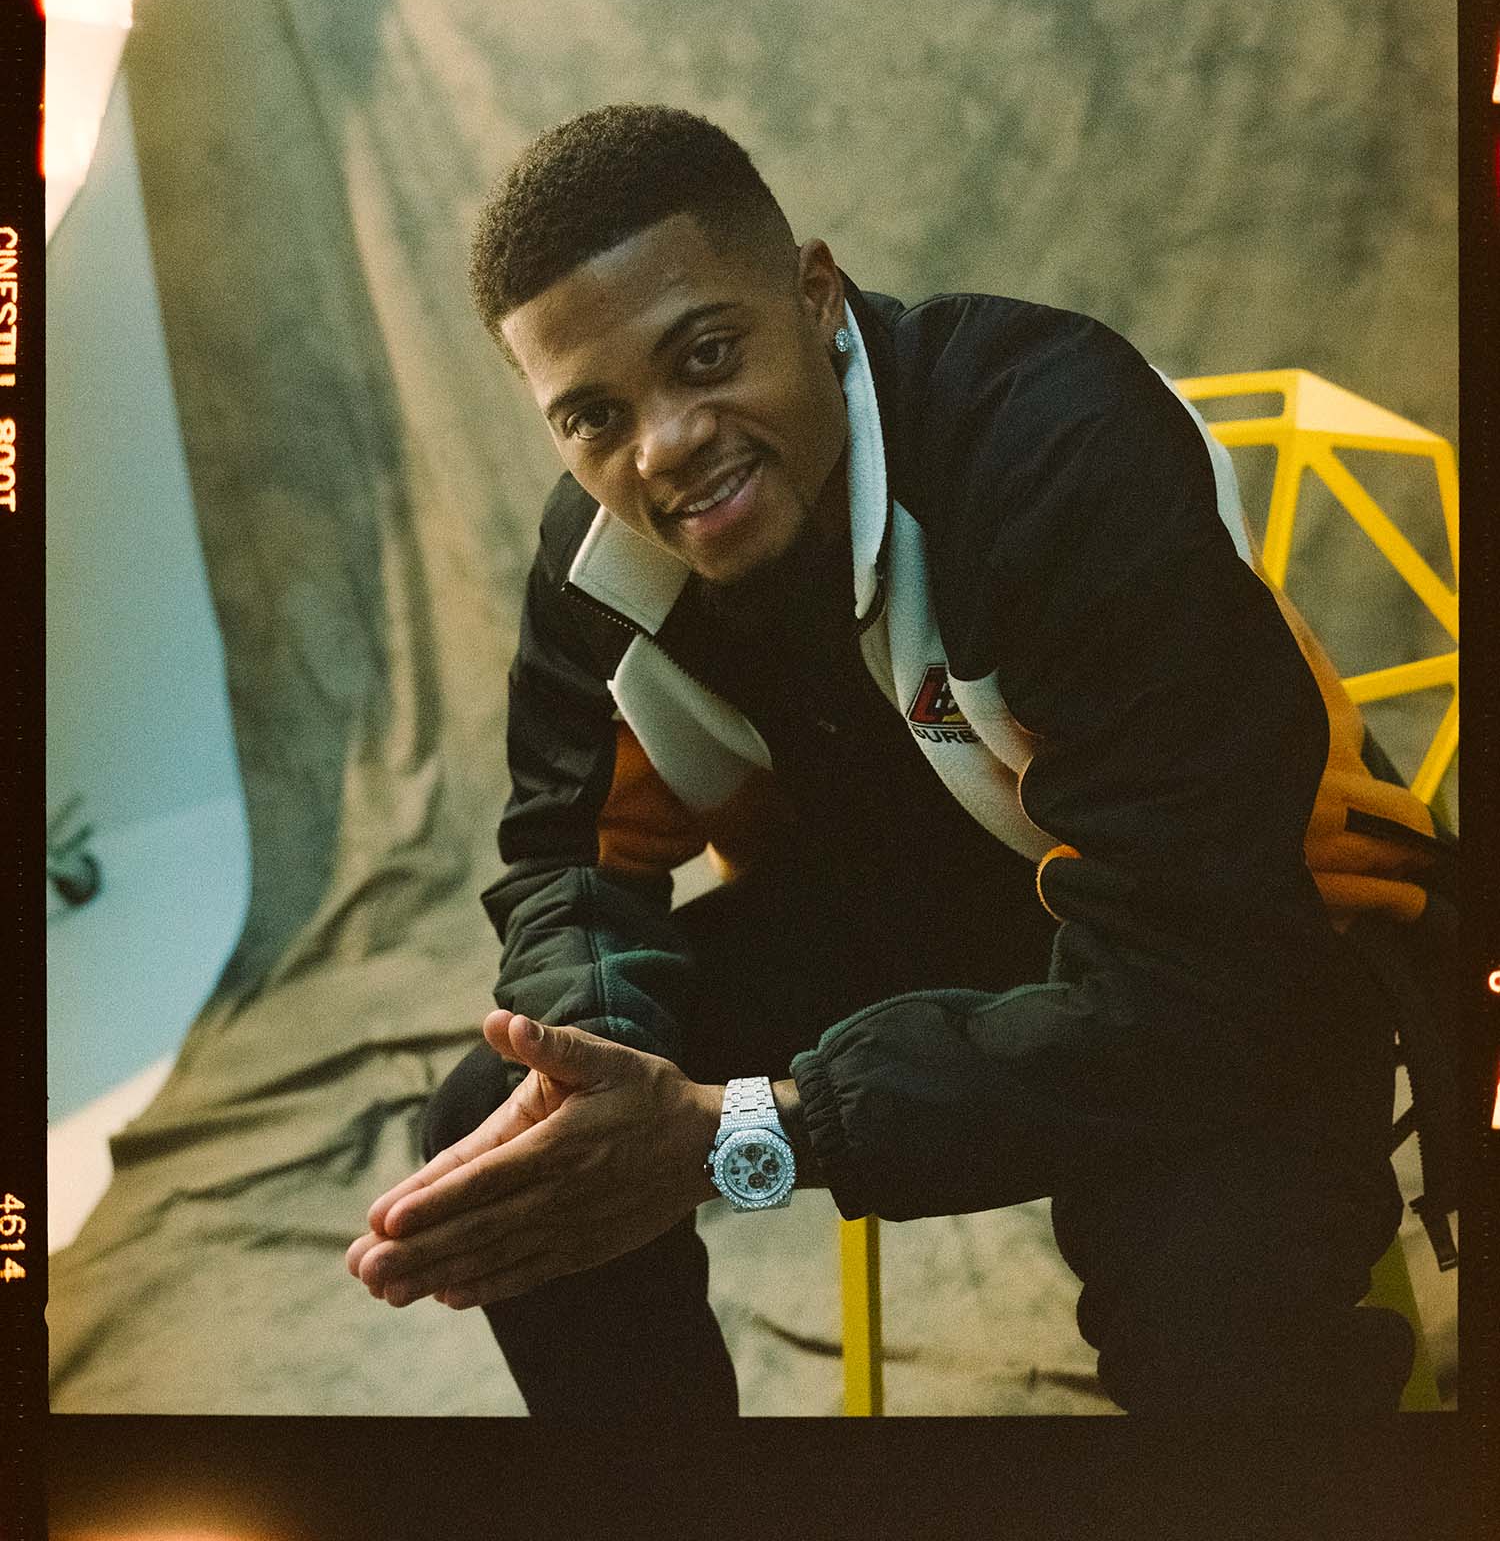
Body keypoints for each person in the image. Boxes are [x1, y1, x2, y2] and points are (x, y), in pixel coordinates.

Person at [346, 102, 1449, 1417]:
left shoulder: (1055, 444)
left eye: (706, 354)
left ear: (816, 294)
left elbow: (1197, 967)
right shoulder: (597, 559)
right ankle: (669, 1501)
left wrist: (749, 1130)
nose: (665, 444)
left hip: (1239, 938)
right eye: (592, 415)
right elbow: (568, 860)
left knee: (1219, 1316)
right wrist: (598, 1075)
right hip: (918, 907)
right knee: (515, 1144)